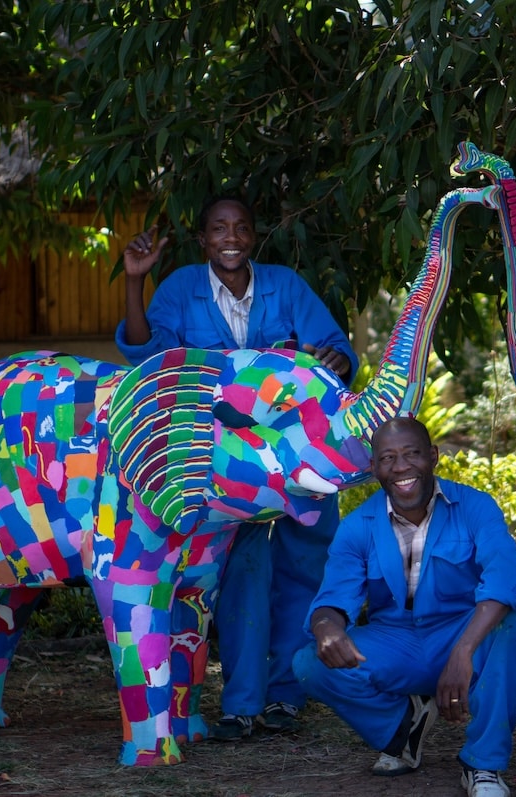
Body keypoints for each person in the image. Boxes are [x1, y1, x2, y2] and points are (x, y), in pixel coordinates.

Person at [116, 196, 359, 740]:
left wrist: (338, 360)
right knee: (243, 570)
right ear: (203, 240)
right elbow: (143, 357)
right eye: (219, 228)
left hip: (300, 462)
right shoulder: (180, 288)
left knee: (305, 569)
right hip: (224, 468)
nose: (232, 237)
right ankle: (242, 704)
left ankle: (288, 696)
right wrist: (135, 282)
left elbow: (337, 352)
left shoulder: (286, 286)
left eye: (242, 228)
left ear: (254, 237)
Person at [293, 417, 516, 797]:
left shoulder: (475, 508)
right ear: (373, 468)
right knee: (309, 662)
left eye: (411, 454)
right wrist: (326, 627)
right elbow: (334, 597)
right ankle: (403, 728)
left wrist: (463, 651)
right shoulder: (359, 526)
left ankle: (482, 765)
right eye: (387, 458)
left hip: (463, 629)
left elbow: (504, 581)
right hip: (398, 639)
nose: (401, 467)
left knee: (510, 623)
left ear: (433, 457)